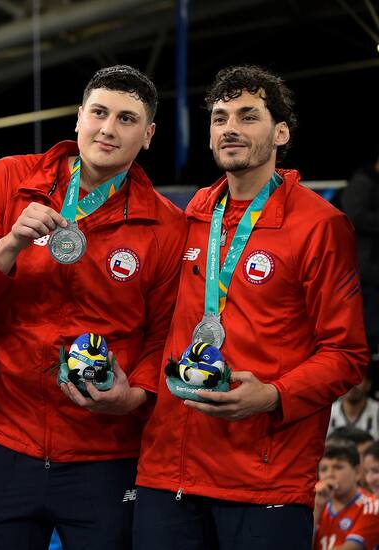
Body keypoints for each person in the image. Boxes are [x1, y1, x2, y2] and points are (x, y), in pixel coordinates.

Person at [0, 65, 185, 549]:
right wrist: (9, 244)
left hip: (106, 454)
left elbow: (164, 337)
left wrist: (133, 398)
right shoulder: (10, 179)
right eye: (98, 113)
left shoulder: (166, 225)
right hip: (4, 441)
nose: (108, 129)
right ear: (78, 119)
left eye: (126, 119)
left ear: (150, 134)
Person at [134, 65, 370, 549]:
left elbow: (347, 355)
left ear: (281, 132)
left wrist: (274, 395)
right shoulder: (195, 212)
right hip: (169, 471)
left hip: (264, 478)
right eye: (220, 118)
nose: (230, 129)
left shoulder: (320, 225)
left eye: (248, 116)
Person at [341, 147, 379, 356]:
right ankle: (365, 381)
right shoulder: (364, 181)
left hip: (371, 266)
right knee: (369, 328)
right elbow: (354, 215)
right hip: (366, 266)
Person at [315, 441, 379, 550]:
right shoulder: (315, 504)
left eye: (338, 467)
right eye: (323, 469)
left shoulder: (372, 506)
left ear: (357, 472)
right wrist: (317, 507)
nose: (329, 474)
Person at [329, 369, 379, 440]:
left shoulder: (377, 411)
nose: (352, 384)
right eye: (347, 379)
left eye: (358, 379)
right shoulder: (329, 412)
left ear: (368, 384)